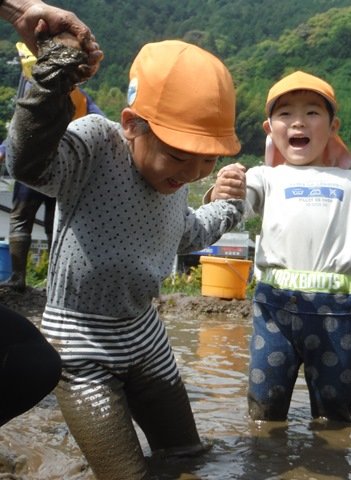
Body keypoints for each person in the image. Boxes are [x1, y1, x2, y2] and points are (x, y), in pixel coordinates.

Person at [5, 37, 246, 480]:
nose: (191, 173)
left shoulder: (177, 175)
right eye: (179, 156)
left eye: (207, 160)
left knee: (187, 455)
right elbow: (28, 166)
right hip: (80, 345)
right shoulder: (97, 144)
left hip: (144, 336)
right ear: (133, 124)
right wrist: (46, 91)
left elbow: (186, 233)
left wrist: (227, 206)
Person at [241, 71, 351, 422]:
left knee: (335, 415)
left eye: (311, 113)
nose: (298, 122)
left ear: (332, 126)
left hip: (336, 309)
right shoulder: (265, 177)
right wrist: (226, 186)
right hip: (274, 308)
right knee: (264, 411)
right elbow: (236, 204)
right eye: (286, 114)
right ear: (269, 128)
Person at [1, 0, 101, 428]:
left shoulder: (83, 100)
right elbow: (14, 147)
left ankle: (42, 278)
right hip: (31, 175)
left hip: (65, 172)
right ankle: (22, 277)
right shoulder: (30, 93)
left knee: (54, 225)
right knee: (25, 222)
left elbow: (93, 128)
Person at [3, 41, 105, 292]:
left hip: (34, 166)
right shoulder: (79, 97)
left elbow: (17, 134)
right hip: (63, 168)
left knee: (22, 219)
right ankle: (52, 280)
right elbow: (100, 122)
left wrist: (5, 151)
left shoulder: (31, 92)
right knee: (53, 223)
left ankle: (19, 278)